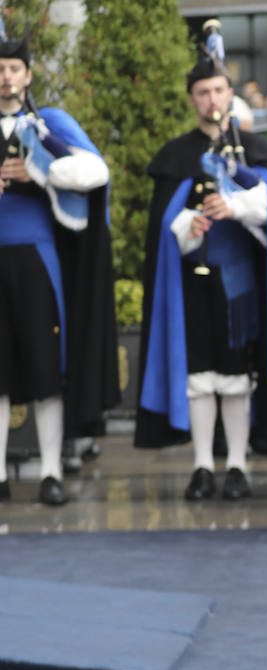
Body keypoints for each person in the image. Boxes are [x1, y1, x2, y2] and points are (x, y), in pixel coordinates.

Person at [137, 43, 267, 500]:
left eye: (219, 90)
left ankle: (239, 465)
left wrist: (238, 204)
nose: (212, 100)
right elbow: (164, 227)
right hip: (190, 284)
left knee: (237, 376)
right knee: (199, 376)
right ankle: (203, 466)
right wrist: (190, 225)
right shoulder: (176, 156)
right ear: (192, 99)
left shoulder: (256, 150)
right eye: (203, 92)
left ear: (230, 93)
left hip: (244, 284)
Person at [0, 23, 117, 505]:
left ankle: (50, 472)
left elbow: (95, 171)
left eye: (13, 69)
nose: (6, 78)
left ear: (28, 74)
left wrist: (39, 172)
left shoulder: (48, 123)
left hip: (37, 260)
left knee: (48, 370)